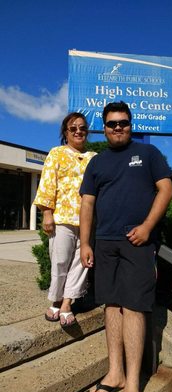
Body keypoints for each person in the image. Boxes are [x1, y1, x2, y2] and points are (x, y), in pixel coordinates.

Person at [80, 101, 172, 392]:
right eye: (112, 123)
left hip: (138, 242)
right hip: (105, 243)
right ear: (104, 128)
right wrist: (85, 242)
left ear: (131, 125)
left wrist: (147, 226)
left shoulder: (148, 154)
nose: (117, 127)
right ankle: (115, 373)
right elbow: (88, 204)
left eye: (123, 122)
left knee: (134, 307)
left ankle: (132, 383)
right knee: (111, 306)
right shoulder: (96, 163)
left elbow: (166, 188)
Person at [33, 112, 96, 327]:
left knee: (80, 264)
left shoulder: (94, 157)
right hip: (62, 218)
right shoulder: (57, 153)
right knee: (60, 261)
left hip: (88, 221)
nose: (78, 131)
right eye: (73, 128)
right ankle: (56, 299)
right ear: (66, 132)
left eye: (82, 128)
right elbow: (48, 183)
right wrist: (47, 213)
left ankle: (68, 303)